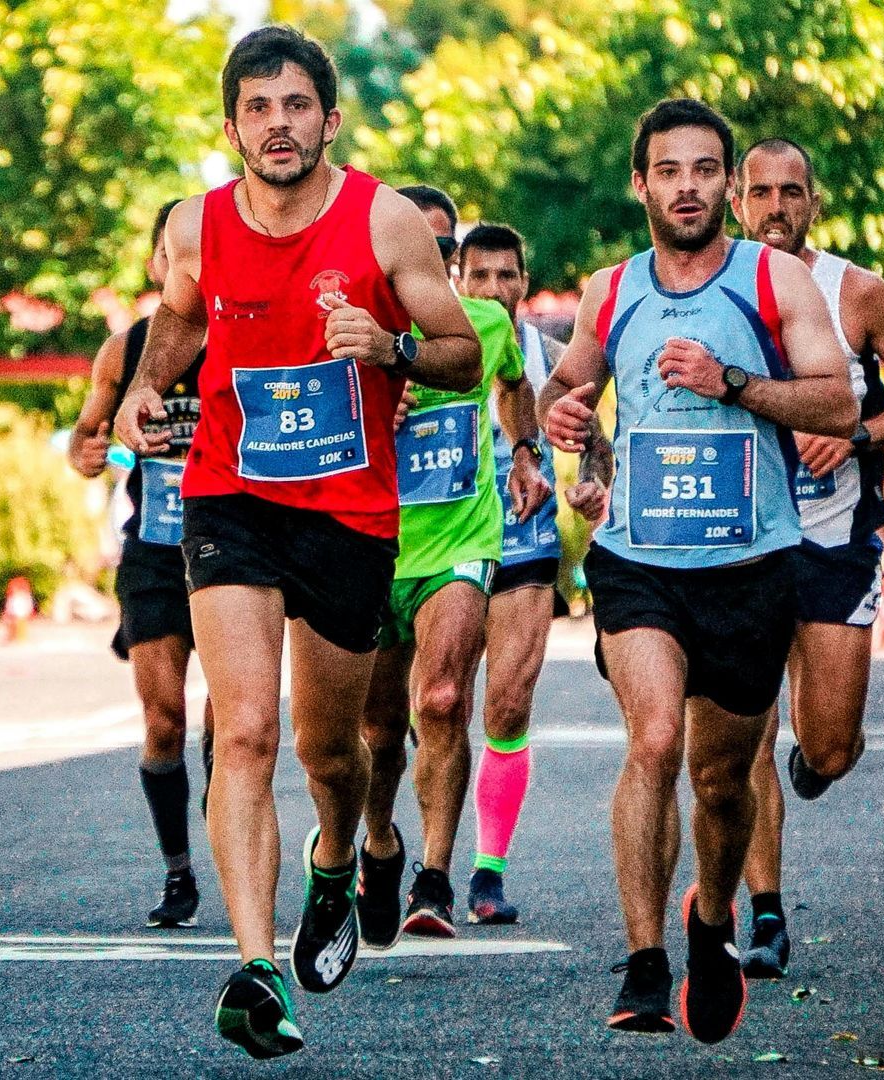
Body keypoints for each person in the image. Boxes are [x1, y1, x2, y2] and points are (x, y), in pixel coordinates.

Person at [112, 25, 480, 1060]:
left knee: (332, 750)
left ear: (327, 117)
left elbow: (458, 351)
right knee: (241, 733)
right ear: (232, 127)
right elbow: (179, 323)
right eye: (259, 108)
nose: (280, 124)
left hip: (349, 514)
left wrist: (391, 346)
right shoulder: (195, 227)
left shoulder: (385, 222)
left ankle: (340, 856)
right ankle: (256, 965)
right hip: (230, 497)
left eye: (297, 105)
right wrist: (145, 389)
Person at [540, 98, 856, 1044]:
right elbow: (571, 389)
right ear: (640, 184)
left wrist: (734, 384)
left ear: (727, 182)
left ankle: (710, 923)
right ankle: (644, 965)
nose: (688, 187)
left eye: (705, 170)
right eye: (668, 171)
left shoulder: (774, 284)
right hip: (640, 561)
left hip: (752, 563)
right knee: (653, 742)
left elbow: (838, 402)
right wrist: (570, 427)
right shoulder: (612, 290)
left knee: (723, 782)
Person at [728, 138, 884, 979]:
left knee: (830, 746)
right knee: (748, 731)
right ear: (737, 201)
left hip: (834, 540)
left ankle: (815, 767)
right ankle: (767, 915)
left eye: (791, 192)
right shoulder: (708, 288)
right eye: (760, 192)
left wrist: (854, 434)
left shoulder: (857, 293)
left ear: (813, 201)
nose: (775, 207)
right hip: (739, 541)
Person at [356, 189, 547, 945]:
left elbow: (512, 382)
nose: (431, 266)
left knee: (440, 699)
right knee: (374, 728)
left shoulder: (487, 324)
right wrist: (373, 402)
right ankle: (378, 845)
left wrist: (526, 449)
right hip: (372, 545)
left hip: (461, 542)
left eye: (443, 253)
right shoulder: (356, 331)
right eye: (420, 251)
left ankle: (434, 877)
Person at [70, 199, 212, 930]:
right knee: (164, 719)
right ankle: (178, 871)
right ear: (159, 265)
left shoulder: (242, 343)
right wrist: (87, 452)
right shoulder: (124, 352)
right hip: (154, 551)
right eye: (169, 254)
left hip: (232, 548)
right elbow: (84, 438)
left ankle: (230, 815)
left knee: (235, 718)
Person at [455, 222, 594, 925]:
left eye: (506, 275)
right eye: (479, 276)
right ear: (457, 280)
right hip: (442, 552)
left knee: (507, 703)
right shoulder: (434, 353)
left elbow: (602, 443)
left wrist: (590, 486)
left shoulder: (556, 360)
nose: (493, 289)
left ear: (524, 283)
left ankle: (488, 870)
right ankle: (409, 858)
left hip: (526, 546)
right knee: (434, 707)